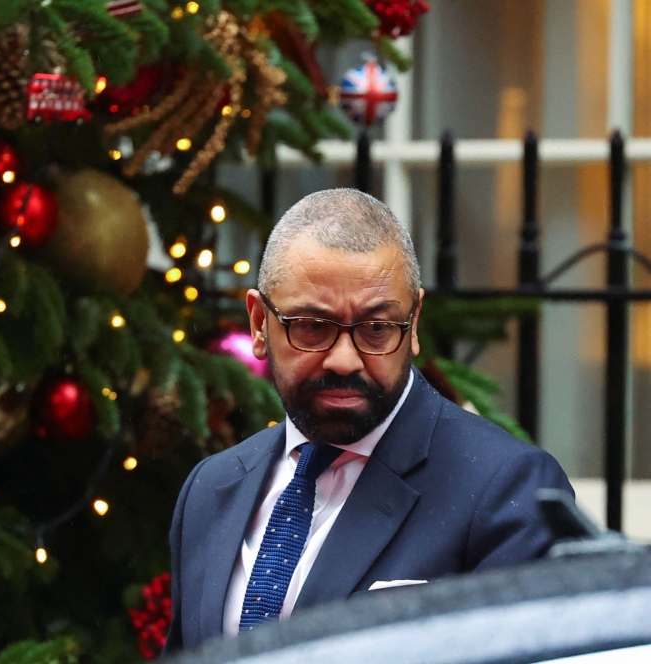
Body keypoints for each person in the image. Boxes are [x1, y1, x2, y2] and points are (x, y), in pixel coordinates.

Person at [163, 188, 573, 654]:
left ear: (413, 323)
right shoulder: (210, 489)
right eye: (312, 326)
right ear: (259, 324)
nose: (344, 359)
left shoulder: (506, 489)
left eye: (377, 328)